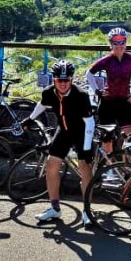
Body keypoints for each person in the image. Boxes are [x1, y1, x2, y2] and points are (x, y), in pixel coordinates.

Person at [26, 59, 95, 226]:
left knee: (84, 167)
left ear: (72, 79)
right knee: (51, 165)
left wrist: (86, 148)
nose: (63, 84)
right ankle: (55, 208)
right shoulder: (49, 92)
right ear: (54, 79)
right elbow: (42, 105)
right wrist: (30, 119)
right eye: (59, 80)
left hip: (82, 132)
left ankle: (87, 210)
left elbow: (90, 123)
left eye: (66, 80)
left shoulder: (81, 95)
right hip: (63, 131)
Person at [86, 28, 131, 156]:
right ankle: (107, 166)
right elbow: (89, 74)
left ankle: (128, 166)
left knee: (130, 139)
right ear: (111, 44)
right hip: (108, 103)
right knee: (107, 141)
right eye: (115, 42)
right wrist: (97, 91)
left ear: (126, 43)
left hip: (124, 101)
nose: (119, 46)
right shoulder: (107, 60)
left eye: (122, 42)